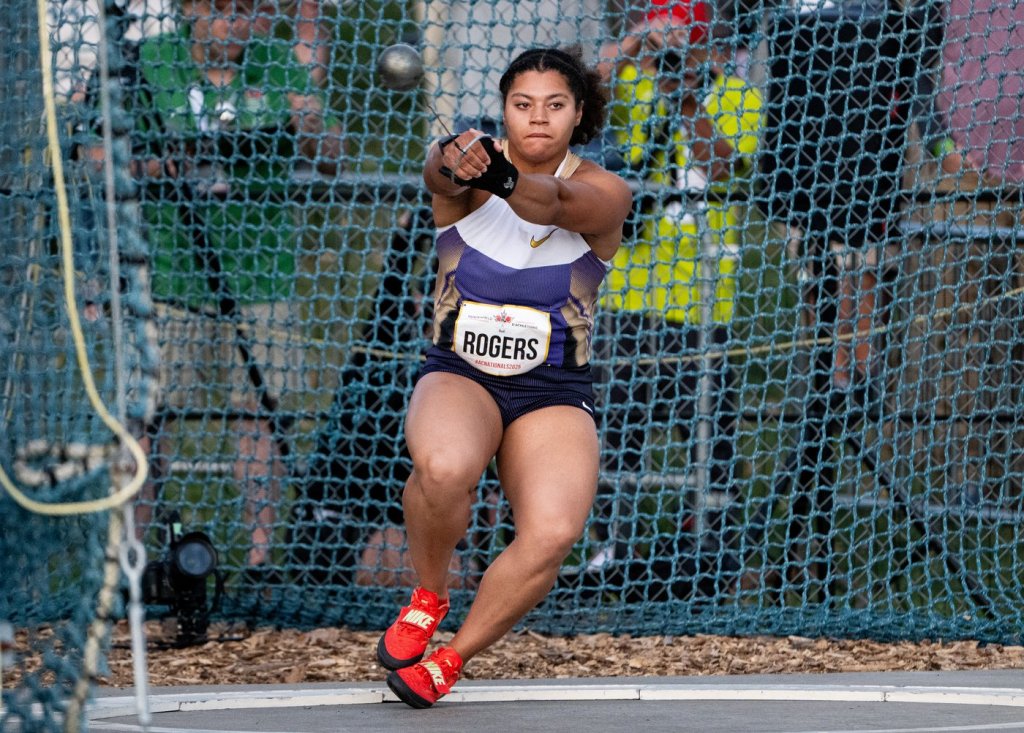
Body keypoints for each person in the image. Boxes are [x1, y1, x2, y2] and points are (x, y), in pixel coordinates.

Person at [375, 46, 631, 708]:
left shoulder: (606, 192)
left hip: (553, 390)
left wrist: (502, 175)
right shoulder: (471, 169)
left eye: (554, 105)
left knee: (554, 532)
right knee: (442, 468)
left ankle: (453, 656)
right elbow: (438, 173)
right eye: (522, 105)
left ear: (578, 113)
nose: (537, 118)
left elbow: (550, 204)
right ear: (504, 109)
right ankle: (429, 595)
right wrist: (449, 157)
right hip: (459, 372)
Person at [80, 0, 343, 579]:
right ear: (191, 9)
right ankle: (132, 560)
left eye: (247, 10)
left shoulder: (277, 61)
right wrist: (164, 168)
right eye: (221, 9)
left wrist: (309, 126)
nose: (235, 23)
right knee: (148, 420)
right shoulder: (148, 61)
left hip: (262, 278)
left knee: (261, 420)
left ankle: (262, 562)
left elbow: (331, 157)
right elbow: (94, 155)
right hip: (167, 279)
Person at [587, 0, 763, 598]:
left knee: (711, 441)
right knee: (611, 432)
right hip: (625, 295)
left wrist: (687, 97)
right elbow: (567, 100)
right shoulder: (630, 86)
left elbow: (722, 167)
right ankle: (612, 550)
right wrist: (633, 46)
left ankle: (708, 554)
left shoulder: (740, 96)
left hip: (701, 303)